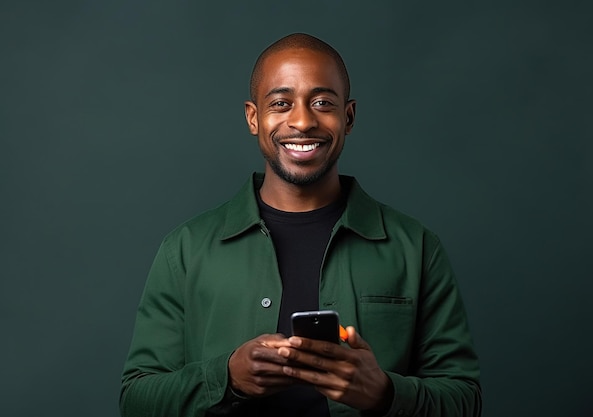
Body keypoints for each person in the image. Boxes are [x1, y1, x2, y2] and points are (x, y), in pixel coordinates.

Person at [120, 33, 481, 417]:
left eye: (323, 102)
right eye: (280, 103)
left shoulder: (415, 247)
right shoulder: (186, 249)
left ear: (349, 117)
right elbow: (137, 400)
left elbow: (464, 399)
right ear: (254, 118)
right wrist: (227, 378)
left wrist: (383, 393)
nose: (303, 121)